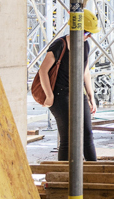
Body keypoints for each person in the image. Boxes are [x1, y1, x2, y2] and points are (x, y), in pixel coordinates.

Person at [38, 9, 101, 162]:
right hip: (60, 96)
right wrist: (49, 95)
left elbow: (85, 71)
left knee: (87, 135)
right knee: (67, 139)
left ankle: (95, 173)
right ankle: (64, 178)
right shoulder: (60, 45)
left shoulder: (85, 45)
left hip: (78, 94)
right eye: (87, 33)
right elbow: (43, 71)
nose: (89, 37)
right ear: (77, 29)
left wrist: (91, 96)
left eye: (90, 34)